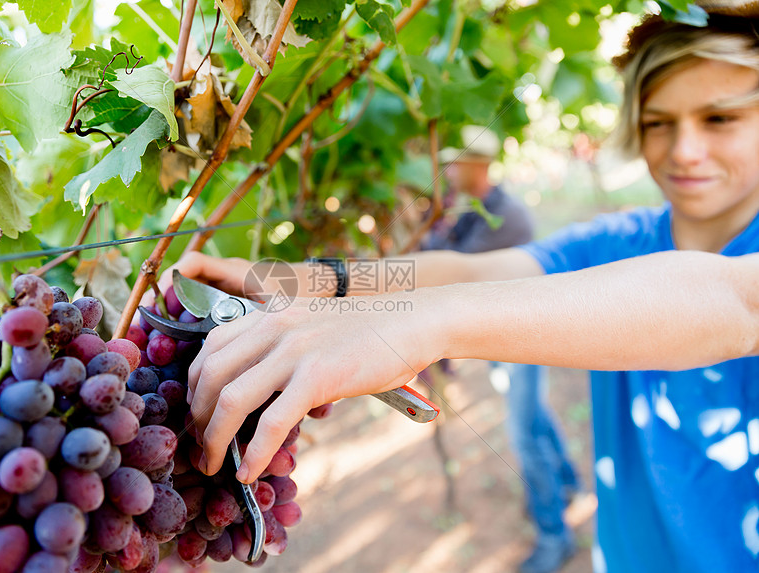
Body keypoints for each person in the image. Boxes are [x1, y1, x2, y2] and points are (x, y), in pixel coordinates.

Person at [159, 7, 759, 572]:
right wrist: (318, 281)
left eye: (720, 119)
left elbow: (734, 301)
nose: (684, 150)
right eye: (658, 124)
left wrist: (424, 323)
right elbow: (474, 273)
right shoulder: (622, 238)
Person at [422, 126, 579, 573]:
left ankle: (555, 535)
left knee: (523, 434)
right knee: (534, 415)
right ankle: (568, 479)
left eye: (457, 163)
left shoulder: (506, 216)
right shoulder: (474, 210)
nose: (449, 171)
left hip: (526, 340)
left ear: (479, 166)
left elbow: (454, 271)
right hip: (500, 337)